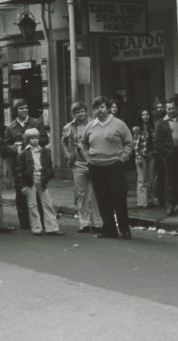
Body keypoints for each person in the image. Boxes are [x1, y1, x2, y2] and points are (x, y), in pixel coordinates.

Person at [83, 96, 135, 240]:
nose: (98, 111)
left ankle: (124, 229)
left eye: (101, 107)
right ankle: (109, 229)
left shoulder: (119, 124)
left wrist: (123, 157)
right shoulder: (90, 126)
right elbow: (83, 144)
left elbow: (129, 142)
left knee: (119, 197)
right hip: (96, 167)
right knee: (102, 198)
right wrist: (88, 158)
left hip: (115, 166)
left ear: (107, 108)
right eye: (95, 108)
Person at [61, 102, 99, 234]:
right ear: (73, 114)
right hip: (78, 163)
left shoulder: (94, 124)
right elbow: (63, 141)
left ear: (86, 111)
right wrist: (67, 154)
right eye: (77, 112)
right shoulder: (69, 127)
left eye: (82, 111)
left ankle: (97, 223)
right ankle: (84, 223)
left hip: (93, 162)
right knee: (81, 194)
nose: (80, 114)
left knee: (95, 193)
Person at [17, 128, 62, 236]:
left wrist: (48, 175)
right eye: (32, 138)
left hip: (42, 180)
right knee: (32, 205)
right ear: (27, 140)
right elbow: (19, 171)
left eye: (36, 138)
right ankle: (36, 228)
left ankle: (52, 228)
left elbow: (49, 166)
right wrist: (22, 185)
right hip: (30, 180)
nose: (35, 140)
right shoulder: (23, 153)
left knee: (48, 204)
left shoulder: (45, 151)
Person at [4, 98, 39, 230]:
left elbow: (44, 138)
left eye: (25, 108)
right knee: (21, 191)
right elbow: (5, 145)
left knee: (36, 189)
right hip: (18, 162)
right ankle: (24, 222)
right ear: (16, 111)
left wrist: (31, 141)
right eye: (21, 108)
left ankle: (37, 219)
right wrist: (12, 147)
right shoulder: (11, 127)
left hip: (34, 160)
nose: (24, 110)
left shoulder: (35, 122)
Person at [155, 96, 178, 215]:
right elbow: (157, 142)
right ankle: (170, 206)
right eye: (169, 109)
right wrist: (166, 153)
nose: (171, 111)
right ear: (166, 109)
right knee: (169, 181)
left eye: (173, 108)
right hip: (169, 155)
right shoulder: (161, 123)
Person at [134, 108, 154, 209]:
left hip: (151, 155)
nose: (146, 116)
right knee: (142, 178)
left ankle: (149, 199)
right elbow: (136, 144)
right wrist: (137, 156)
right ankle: (142, 202)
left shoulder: (152, 128)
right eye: (143, 115)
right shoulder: (138, 129)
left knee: (150, 179)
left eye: (147, 114)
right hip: (141, 155)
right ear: (140, 117)